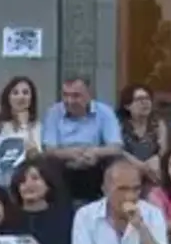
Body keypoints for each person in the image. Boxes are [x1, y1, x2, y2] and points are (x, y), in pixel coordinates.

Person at [40, 74, 124, 202]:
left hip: (95, 165)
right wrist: (70, 154)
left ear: (89, 95)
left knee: (111, 163)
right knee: (50, 163)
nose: (69, 101)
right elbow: (49, 149)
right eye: (65, 95)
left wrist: (94, 152)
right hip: (64, 165)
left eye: (75, 95)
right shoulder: (54, 112)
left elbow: (116, 147)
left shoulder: (104, 112)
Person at [117, 83, 169, 183]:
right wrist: (141, 166)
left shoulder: (158, 124)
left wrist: (155, 160)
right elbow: (118, 150)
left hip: (152, 172)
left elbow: (163, 151)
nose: (145, 103)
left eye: (147, 99)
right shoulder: (119, 124)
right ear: (127, 106)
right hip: (127, 169)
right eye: (139, 99)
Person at [0, 75, 42, 155]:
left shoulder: (37, 126)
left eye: (25, 93)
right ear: (8, 97)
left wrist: (24, 126)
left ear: (31, 98)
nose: (21, 97)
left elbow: (35, 155)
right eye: (15, 93)